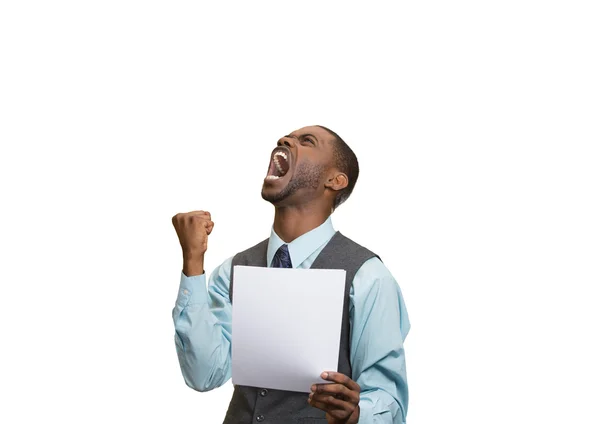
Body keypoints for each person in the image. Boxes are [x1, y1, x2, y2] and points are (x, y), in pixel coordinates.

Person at [171, 125, 410, 424]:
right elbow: (203, 374)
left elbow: (389, 399)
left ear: (335, 180)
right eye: (287, 137)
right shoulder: (233, 271)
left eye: (306, 141)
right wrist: (193, 263)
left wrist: (357, 415)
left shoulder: (368, 278)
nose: (284, 140)